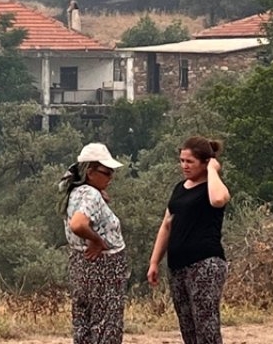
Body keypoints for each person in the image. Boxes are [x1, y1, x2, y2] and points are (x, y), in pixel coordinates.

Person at [146, 136, 231, 344]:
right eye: (182, 160)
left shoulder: (212, 188)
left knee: (206, 326)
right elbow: (167, 224)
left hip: (205, 264)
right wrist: (154, 261)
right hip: (178, 266)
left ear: (205, 161)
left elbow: (218, 200)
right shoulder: (179, 189)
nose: (184, 166)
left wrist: (213, 170)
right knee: (188, 326)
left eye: (190, 161)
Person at [59, 142, 127, 344]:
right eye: (106, 173)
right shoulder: (91, 195)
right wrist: (97, 241)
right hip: (104, 267)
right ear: (90, 172)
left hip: (81, 264)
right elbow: (78, 224)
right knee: (106, 323)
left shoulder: (74, 191)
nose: (111, 178)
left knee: (84, 322)